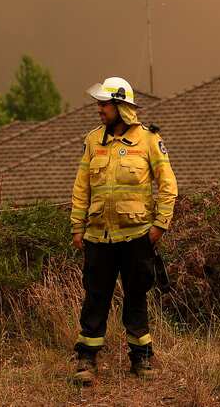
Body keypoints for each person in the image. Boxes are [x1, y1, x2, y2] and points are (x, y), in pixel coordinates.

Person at [69, 76, 178, 385]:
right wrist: (78, 226)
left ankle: (141, 360)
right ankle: (86, 360)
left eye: (104, 103)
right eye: (99, 103)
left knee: (136, 297)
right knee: (95, 297)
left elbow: (168, 185)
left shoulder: (148, 140)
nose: (99, 109)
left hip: (136, 237)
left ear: (120, 106)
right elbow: (81, 187)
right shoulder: (93, 141)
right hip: (98, 237)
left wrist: (159, 226)